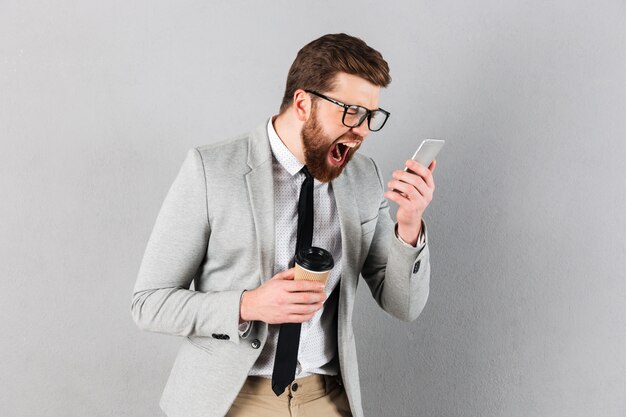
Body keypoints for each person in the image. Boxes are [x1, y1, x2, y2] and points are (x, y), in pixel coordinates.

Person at [131, 33, 436, 417]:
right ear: (303, 103)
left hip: (325, 399)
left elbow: (402, 305)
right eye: (351, 112)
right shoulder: (212, 171)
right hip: (233, 399)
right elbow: (149, 304)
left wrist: (409, 226)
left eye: (370, 116)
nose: (361, 130)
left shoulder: (363, 178)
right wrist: (249, 304)